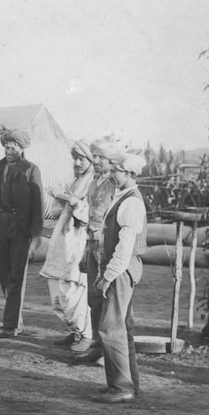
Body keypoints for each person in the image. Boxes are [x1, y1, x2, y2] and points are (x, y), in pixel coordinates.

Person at [93, 153, 147, 404]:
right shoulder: (122, 197)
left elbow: (124, 248)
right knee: (123, 328)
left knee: (110, 327)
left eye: (116, 170)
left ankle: (122, 387)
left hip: (122, 269)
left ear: (130, 174)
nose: (111, 174)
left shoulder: (131, 203)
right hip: (120, 268)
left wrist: (108, 276)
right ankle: (128, 383)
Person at [0, 128, 44, 338]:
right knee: (4, 275)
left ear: (21, 148)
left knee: (17, 275)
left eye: (13, 148)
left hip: (21, 226)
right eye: (7, 147)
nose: (9, 151)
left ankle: (10, 325)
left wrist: (35, 234)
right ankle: (14, 320)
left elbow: (38, 204)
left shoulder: (30, 169)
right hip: (1, 223)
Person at [39, 140, 95, 353]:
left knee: (74, 288)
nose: (78, 163)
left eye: (82, 159)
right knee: (59, 287)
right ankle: (75, 329)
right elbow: (57, 211)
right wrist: (59, 199)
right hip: (63, 238)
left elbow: (88, 213)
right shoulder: (75, 182)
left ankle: (86, 333)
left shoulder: (93, 184)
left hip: (78, 239)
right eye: (76, 159)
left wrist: (68, 199)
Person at [73, 138, 121, 365]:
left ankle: (107, 351)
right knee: (93, 297)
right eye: (96, 156)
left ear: (112, 159)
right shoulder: (93, 182)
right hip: (91, 243)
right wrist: (85, 250)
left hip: (106, 246)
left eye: (102, 157)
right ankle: (95, 346)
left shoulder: (115, 185)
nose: (97, 160)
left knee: (107, 296)